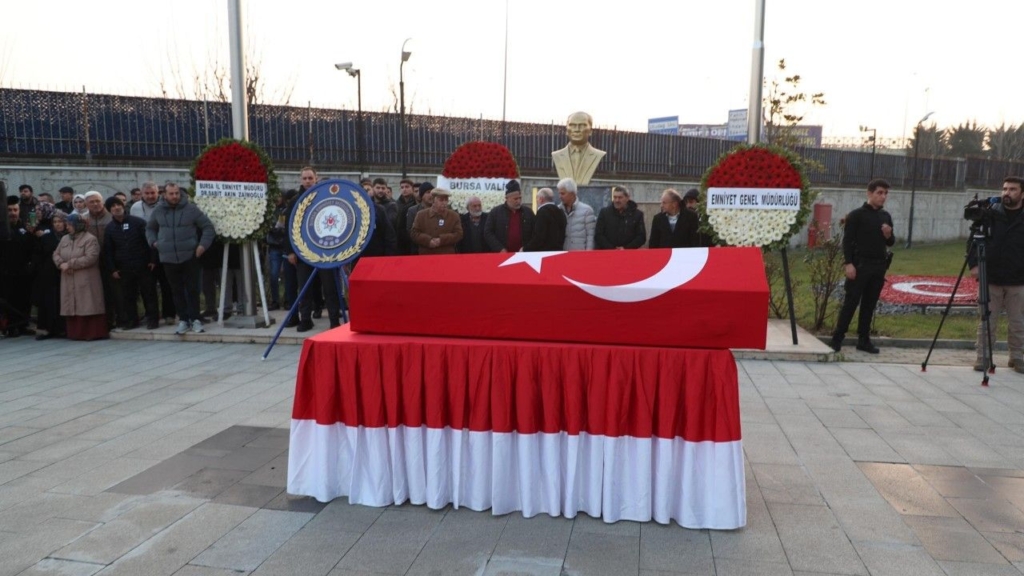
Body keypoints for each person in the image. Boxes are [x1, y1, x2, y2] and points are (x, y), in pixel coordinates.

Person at [828, 179, 895, 354]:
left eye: (885, 193)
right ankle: (837, 339)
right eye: (879, 193)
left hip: (878, 266)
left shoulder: (885, 216)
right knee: (851, 303)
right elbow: (847, 241)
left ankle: (863, 340)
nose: (883, 197)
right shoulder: (856, 215)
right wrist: (848, 263)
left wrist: (888, 234)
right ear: (869, 193)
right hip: (860, 265)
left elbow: (891, 242)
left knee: (869, 304)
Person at [146, 181, 216, 335]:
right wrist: (154, 242)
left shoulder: (191, 209)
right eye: (171, 193)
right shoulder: (158, 210)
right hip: (168, 257)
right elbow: (150, 228)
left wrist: (202, 246)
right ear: (165, 195)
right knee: (176, 291)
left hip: (190, 256)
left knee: (193, 290)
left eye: (177, 193)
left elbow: (208, 227)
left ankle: (195, 319)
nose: (175, 196)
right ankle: (183, 320)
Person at [970, 176, 1024, 372]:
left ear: (1022, 193)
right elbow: (973, 240)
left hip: (1017, 279)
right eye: (1004, 189)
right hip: (990, 277)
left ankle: (1016, 357)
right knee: (987, 319)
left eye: (1012, 189)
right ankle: (983, 357)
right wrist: (973, 265)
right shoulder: (991, 214)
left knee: (1017, 321)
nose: (1007, 193)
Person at [287, 167, 340, 332]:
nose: (308, 181)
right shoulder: (294, 201)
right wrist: (290, 251)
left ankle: (333, 320)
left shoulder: (326, 197)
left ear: (316, 178)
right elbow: (288, 229)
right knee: (304, 288)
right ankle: (305, 319)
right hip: (303, 251)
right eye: (305, 178)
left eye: (310, 178)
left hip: (326, 251)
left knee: (330, 287)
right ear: (300, 180)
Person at [104, 196, 158, 330]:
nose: (116, 208)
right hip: (124, 268)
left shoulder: (138, 222)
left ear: (123, 206)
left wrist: (153, 260)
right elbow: (108, 250)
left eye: (118, 205)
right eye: (113, 206)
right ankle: (132, 321)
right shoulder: (110, 228)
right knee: (128, 296)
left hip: (143, 265)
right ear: (110, 210)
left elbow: (149, 241)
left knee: (149, 293)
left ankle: (153, 319)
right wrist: (113, 269)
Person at [53, 213, 107, 341]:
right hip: (68, 278)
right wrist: (60, 263)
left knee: (87, 304)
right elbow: (56, 254)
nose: (67, 227)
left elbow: (91, 258)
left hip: (85, 279)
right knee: (72, 305)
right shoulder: (65, 239)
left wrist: (70, 264)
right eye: (67, 225)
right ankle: (75, 333)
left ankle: (92, 333)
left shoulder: (90, 239)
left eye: (70, 225)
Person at [130, 181, 176, 325]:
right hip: (144, 250)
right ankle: (151, 315)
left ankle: (169, 314)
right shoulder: (135, 208)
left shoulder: (166, 205)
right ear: (142, 194)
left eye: (153, 193)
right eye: (147, 193)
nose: (150, 196)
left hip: (164, 247)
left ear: (158, 193)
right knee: (148, 286)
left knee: (167, 284)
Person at [1, 196, 36, 337]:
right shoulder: (2, 229)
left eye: (15, 209)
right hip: (4, 273)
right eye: (9, 210)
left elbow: (32, 249)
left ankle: (22, 325)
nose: (12, 213)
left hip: (22, 272)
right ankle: (8, 327)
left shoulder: (25, 228)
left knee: (23, 299)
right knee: (7, 300)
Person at [32, 206, 66, 340]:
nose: (58, 224)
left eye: (60, 221)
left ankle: (62, 328)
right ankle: (46, 329)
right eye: (55, 222)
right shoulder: (46, 237)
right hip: (48, 274)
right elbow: (38, 254)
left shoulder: (69, 237)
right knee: (48, 301)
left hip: (64, 273)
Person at [551, 112, 607, 186]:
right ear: (567, 130)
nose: (577, 129)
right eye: (572, 125)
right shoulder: (557, 155)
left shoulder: (598, 155)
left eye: (582, 125)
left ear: (590, 131)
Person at [484, 180, 535, 252]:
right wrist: (499, 248)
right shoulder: (495, 212)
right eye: (515, 199)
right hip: (502, 255)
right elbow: (488, 232)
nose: (518, 201)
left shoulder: (528, 212)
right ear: (507, 198)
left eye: (520, 198)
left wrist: (527, 247)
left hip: (524, 255)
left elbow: (535, 233)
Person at [411, 188, 463, 255]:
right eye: (441, 200)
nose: (444, 203)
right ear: (433, 200)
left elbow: (459, 234)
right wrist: (428, 240)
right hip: (426, 255)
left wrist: (441, 240)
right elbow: (414, 233)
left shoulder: (454, 216)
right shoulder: (421, 215)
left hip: (446, 256)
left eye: (446, 200)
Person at [595, 185, 646, 249]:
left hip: (629, 254)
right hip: (608, 253)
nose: (617, 200)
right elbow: (598, 235)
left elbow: (641, 237)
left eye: (620, 197)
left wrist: (626, 248)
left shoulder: (637, 215)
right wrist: (612, 249)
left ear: (627, 198)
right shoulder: (604, 213)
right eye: (615, 197)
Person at [557, 178, 596, 251]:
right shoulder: (558, 210)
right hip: (562, 255)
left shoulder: (587, 211)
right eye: (559, 193)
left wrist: (588, 254)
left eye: (563, 193)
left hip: (580, 255)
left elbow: (591, 236)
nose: (560, 196)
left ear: (572, 193)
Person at [405, 183, 434, 255]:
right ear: (422, 195)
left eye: (432, 192)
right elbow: (410, 230)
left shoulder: (439, 210)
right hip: (418, 249)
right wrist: (427, 241)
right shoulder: (413, 210)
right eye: (428, 192)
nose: (431, 195)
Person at [395, 178, 419, 255]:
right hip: (401, 241)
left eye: (407, 187)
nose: (404, 189)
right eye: (402, 187)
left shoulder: (416, 203)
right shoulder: (396, 204)